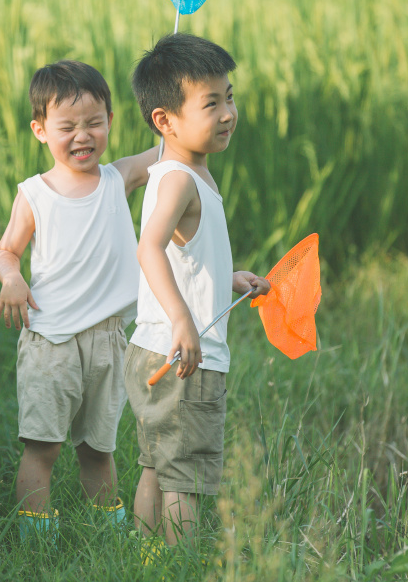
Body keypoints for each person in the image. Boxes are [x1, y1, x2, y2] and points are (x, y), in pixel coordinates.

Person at [0, 59, 159, 542]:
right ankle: (36, 541)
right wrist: (11, 278)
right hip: (51, 340)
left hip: (108, 341)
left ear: (110, 122)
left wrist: (175, 99)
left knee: (98, 448)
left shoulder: (117, 179)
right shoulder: (35, 194)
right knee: (42, 447)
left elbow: (169, 148)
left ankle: (106, 535)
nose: (82, 135)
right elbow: (7, 250)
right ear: (41, 130)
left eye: (94, 123)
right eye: (68, 126)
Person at [123, 33, 270, 548]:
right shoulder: (181, 178)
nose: (228, 112)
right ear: (165, 120)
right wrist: (185, 321)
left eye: (229, 96)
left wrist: (227, 279)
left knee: (156, 465)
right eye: (211, 103)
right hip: (183, 356)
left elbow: (184, 256)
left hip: (154, 349)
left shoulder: (185, 173)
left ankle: (146, 558)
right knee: (184, 476)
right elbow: (150, 248)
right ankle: (176, 563)